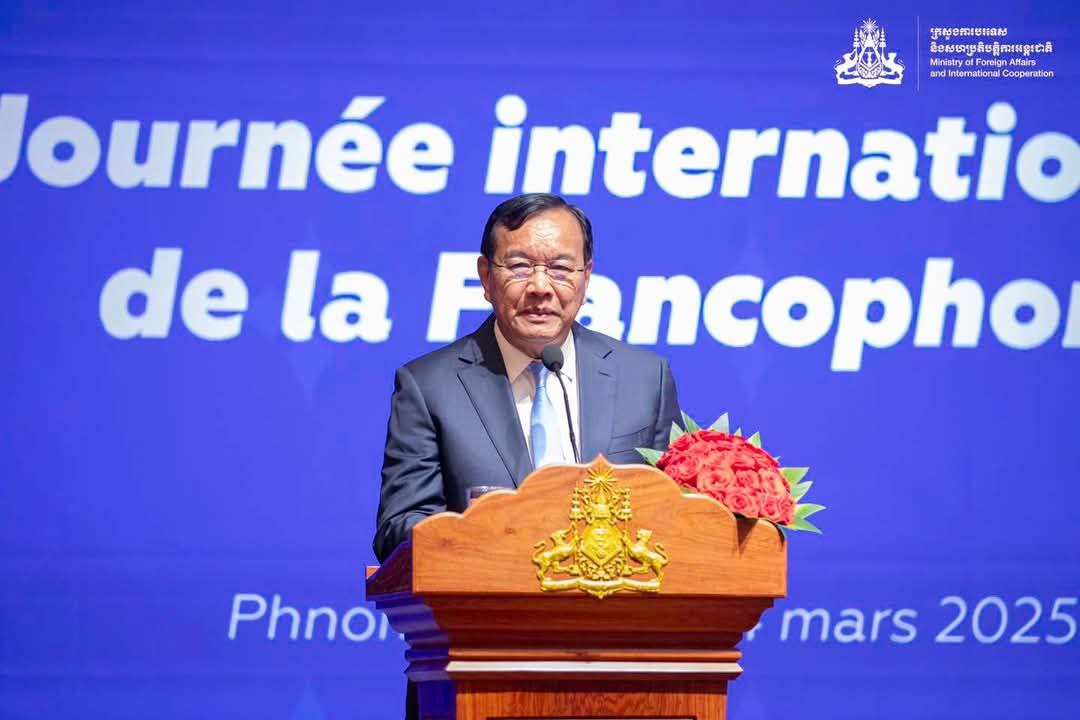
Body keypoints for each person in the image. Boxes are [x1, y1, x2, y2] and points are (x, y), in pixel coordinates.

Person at [373, 193, 681, 561]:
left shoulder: (645, 378)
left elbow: (674, 516)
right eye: (519, 267)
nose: (540, 287)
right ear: (486, 277)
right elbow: (397, 529)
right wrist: (485, 532)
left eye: (560, 268)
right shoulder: (429, 387)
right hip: (487, 590)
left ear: (586, 277)